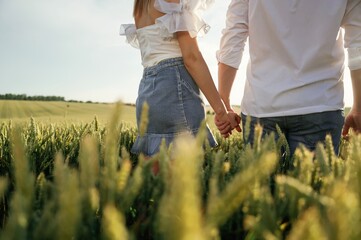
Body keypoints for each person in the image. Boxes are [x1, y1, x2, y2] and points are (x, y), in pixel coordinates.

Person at [216, 0, 361, 156]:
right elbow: (357, 46)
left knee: (260, 180)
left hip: (261, 105)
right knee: (312, 179)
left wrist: (223, 103)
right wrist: (358, 107)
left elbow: (233, 39)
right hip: (321, 103)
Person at [120, 0, 241, 157]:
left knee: (157, 171)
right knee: (185, 174)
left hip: (147, 91)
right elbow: (192, 58)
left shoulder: (141, 4)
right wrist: (222, 111)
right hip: (175, 89)